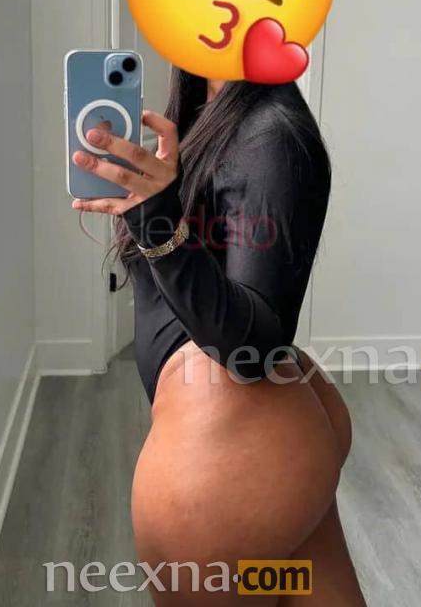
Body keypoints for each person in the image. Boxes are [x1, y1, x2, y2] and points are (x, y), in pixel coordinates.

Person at [72, 69, 366, 606]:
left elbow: (252, 351)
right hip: (263, 459)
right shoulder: (209, 112)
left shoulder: (270, 133)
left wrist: (158, 224)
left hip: (233, 457)